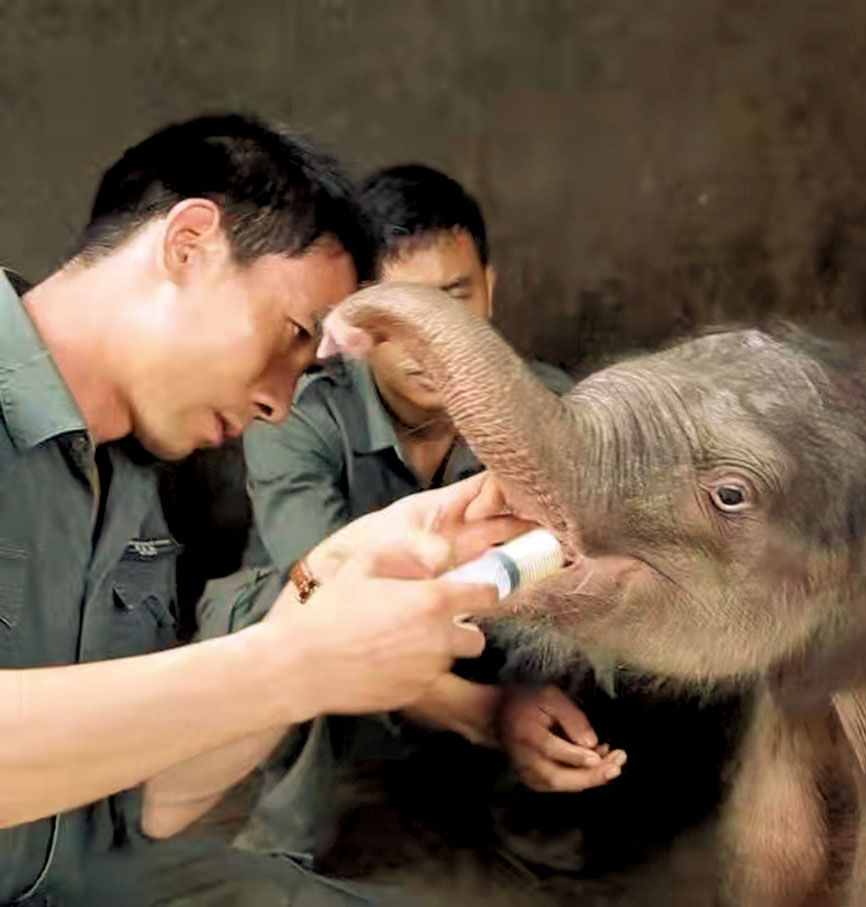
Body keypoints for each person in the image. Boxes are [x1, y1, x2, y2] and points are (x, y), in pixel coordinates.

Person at [0, 114, 530, 907]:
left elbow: (158, 802)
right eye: (291, 334)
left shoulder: (136, 478)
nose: (281, 404)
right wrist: (294, 663)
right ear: (189, 244)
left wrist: (328, 578)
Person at [227, 165, 625, 870]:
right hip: (327, 636)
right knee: (281, 605)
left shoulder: (545, 407)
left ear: (490, 291)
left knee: (596, 589)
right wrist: (485, 716)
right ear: (357, 316)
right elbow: (331, 596)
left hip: (478, 637)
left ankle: (530, 796)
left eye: (453, 297)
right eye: (403, 309)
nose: (433, 337)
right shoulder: (298, 407)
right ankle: (283, 833)